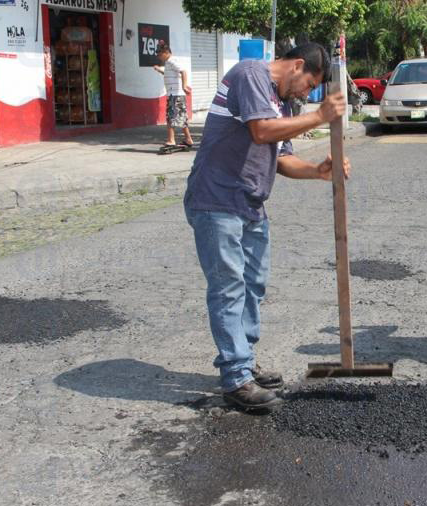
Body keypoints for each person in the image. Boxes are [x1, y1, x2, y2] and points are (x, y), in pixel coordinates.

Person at [184, 43, 348, 409]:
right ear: (298, 65)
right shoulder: (250, 74)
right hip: (216, 201)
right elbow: (261, 131)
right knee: (228, 288)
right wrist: (320, 115)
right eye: (310, 85)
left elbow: (283, 159)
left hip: (250, 204)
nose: (308, 94)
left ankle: (242, 359)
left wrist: (318, 172)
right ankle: (236, 378)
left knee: (253, 285)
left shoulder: (282, 103)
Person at [153, 43, 194, 148]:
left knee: (170, 116)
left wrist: (185, 86)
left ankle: (171, 140)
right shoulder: (169, 63)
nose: (159, 56)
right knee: (181, 117)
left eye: (160, 54)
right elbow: (170, 75)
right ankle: (188, 139)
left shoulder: (172, 61)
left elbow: (183, 72)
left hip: (174, 95)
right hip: (176, 94)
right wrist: (159, 70)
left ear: (166, 53)